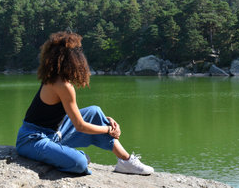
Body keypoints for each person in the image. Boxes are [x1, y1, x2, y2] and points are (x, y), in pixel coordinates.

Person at [16, 31, 154, 175]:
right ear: (71, 58)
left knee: (94, 111)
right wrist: (108, 130)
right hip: (32, 140)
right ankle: (68, 155)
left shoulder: (56, 78)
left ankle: (126, 161)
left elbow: (71, 118)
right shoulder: (62, 85)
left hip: (54, 133)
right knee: (79, 162)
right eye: (78, 53)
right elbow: (80, 126)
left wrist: (104, 121)